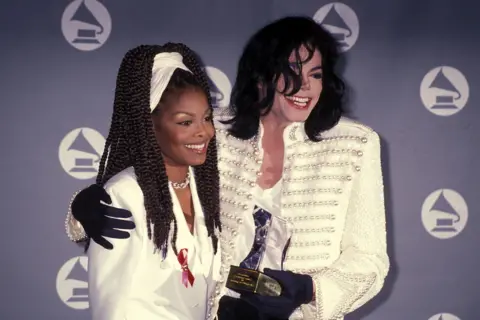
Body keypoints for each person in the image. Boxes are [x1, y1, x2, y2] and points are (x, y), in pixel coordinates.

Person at [65, 16, 390, 320]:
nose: (305, 86)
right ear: (261, 74)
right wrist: (85, 209)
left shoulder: (355, 144)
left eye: (316, 74)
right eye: (292, 70)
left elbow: (369, 260)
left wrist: (310, 289)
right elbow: (151, 182)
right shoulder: (213, 128)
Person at [70, 43, 225, 320]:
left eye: (206, 118)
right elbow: (115, 305)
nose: (204, 132)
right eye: (185, 122)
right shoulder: (125, 194)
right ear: (148, 125)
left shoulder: (208, 188)